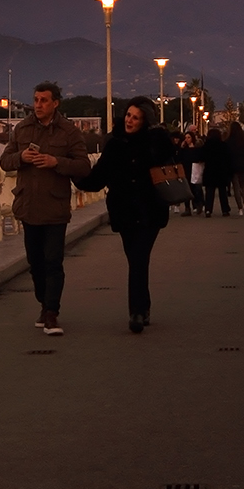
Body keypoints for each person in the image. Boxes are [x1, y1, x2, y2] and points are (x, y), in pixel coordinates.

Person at [0, 81, 91, 337]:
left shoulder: (69, 131)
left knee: (53, 261)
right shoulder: (22, 129)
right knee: (35, 262)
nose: (38, 105)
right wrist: (21, 158)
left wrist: (55, 162)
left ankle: (52, 312)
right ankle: (43, 303)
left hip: (55, 206)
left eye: (44, 100)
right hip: (28, 206)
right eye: (36, 100)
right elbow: (4, 161)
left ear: (55, 103)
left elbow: (83, 166)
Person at [76, 96, 176, 333]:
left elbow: (170, 156)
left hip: (150, 210)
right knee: (135, 259)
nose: (130, 120)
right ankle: (144, 305)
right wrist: (74, 176)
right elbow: (98, 177)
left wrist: (156, 134)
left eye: (136, 118)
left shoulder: (156, 142)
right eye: (129, 115)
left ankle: (136, 313)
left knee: (139, 257)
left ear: (145, 121)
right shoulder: (115, 144)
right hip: (124, 211)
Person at [201, 124, 233, 215]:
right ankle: (225, 209)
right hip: (221, 171)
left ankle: (208, 209)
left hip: (210, 170)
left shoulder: (206, 146)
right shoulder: (223, 145)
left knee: (209, 192)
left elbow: (201, 157)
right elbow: (228, 158)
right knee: (222, 191)